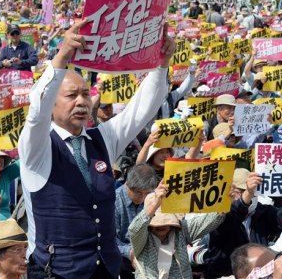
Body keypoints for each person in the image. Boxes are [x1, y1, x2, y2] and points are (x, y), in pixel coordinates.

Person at [19, 19, 175, 278]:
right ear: (53, 105)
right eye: (71, 96)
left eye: (84, 94)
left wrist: (161, 65)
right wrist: (63, 54)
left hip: (106, 268)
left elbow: (141, 110)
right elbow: (37, 109)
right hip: (56, 272)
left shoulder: (101, 139)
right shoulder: (37, 147)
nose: (81, 101)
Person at [128, 180, 224, 279]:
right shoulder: (142, 240)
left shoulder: (181, 231)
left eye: (166, 221)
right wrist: (154, 205)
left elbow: (209, 221)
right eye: (157, 223)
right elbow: (134, 229)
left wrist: (223, 204)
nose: (161, 226)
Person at [115, 164, 157, 279]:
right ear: (127, 185)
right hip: (124, 256)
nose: (143, 198)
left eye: (147, 193)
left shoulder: (153, 197)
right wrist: (130, 252)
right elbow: (111, 240)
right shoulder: (114, 201)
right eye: (138, 193)